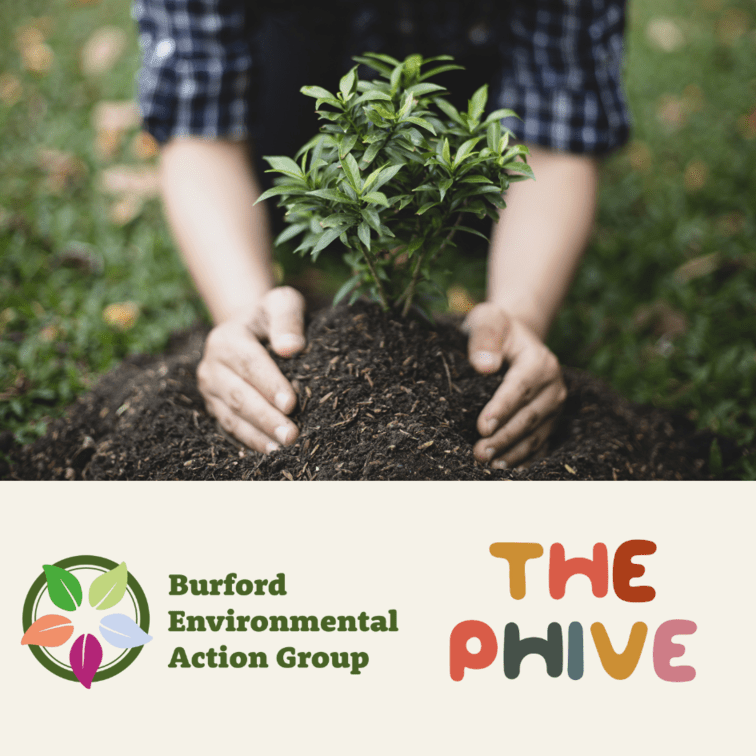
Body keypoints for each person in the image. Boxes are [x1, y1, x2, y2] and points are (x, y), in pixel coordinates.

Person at [134, 0, 630, 469]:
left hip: (464, 162)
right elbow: (199, 123)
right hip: (294, 125)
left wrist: (522, 313)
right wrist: (243, 308)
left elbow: (558, 130)